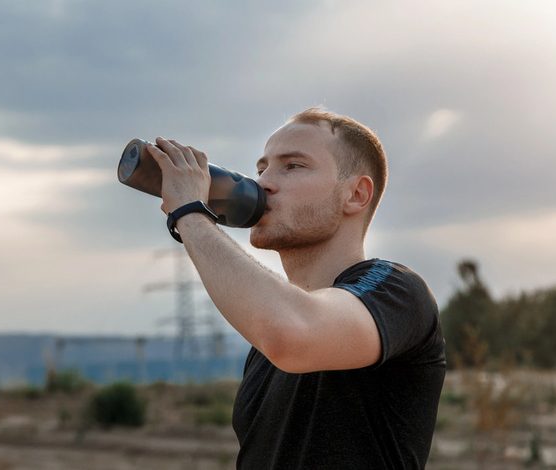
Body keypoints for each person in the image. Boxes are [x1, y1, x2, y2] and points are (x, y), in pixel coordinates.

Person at [145, 107, 446, 469]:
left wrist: (191, 213)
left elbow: (295, 334)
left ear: (356, 194)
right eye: (261, 169)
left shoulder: (396, 291)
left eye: (293, 166)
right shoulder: (264, 345)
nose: (264, 183)